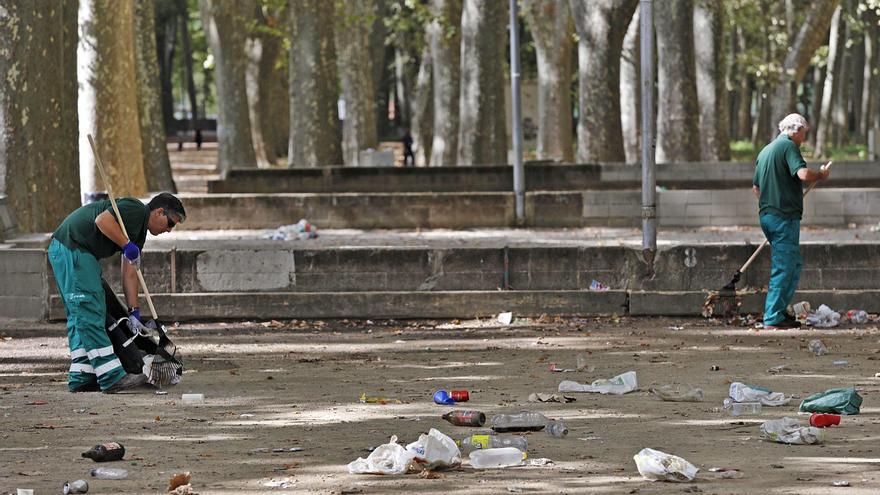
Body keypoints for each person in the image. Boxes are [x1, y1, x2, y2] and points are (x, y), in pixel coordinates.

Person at [48, 192, 186, 393]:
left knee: (81, 313)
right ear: (159, 212)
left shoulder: (139, 233)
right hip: (73, 247)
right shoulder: (136, 209)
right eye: (170, 223)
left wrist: (134, 312)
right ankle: (111, 376)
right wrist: (125, 244)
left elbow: (130, 274)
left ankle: (82, 375)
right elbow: (102, 220)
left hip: (77, 252)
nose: (169, 230)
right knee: (89, 309)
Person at [752, 113, 830, 329]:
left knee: (793, 265)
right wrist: (821, 175)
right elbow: (803, 174)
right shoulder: (788, 147)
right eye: (804, 134)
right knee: (784, 267)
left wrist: (773, 200)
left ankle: (780, 311)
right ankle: (772, 317)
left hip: (767, 216)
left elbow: (756, 188)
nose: (803, 139)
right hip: (783, 217)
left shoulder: (765, 150)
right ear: (796, 130)